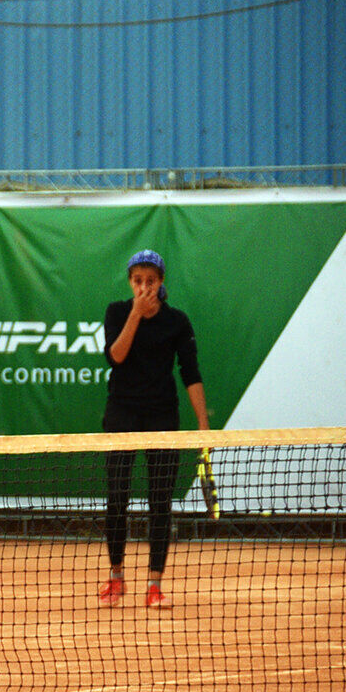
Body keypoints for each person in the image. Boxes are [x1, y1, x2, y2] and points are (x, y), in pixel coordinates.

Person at [98, 249, 208, 610]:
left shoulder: (178, 321)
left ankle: (154, 585)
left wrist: (204, 427)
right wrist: (135, 315)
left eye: (151, 280)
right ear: (131, 283)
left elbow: (190, 373)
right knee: (117, 498)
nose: (144, 286)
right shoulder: (117, 312)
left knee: (160, 502)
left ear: (161, 283)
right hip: (122, 415)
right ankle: (116, 578)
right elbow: (116, 356)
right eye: (137, 281)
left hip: (162, 417)